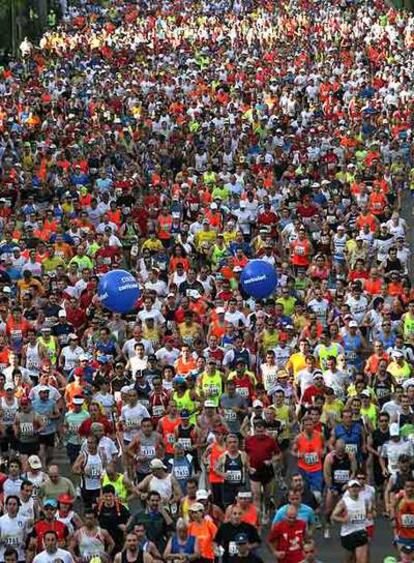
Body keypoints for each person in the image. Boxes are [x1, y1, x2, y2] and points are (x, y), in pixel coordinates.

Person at [332, 480, 372, 563]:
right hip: (348, 534)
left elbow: (370, 511)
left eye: (356, 487)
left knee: (362, 560)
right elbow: (333, 516)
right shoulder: (344, 502)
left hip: (361, 532)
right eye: (352, 487)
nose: (354, 489)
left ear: (360, 489)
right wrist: (343, 519)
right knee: (349, 559)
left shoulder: (364, 500)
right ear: (349, 489)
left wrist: (369, 514)